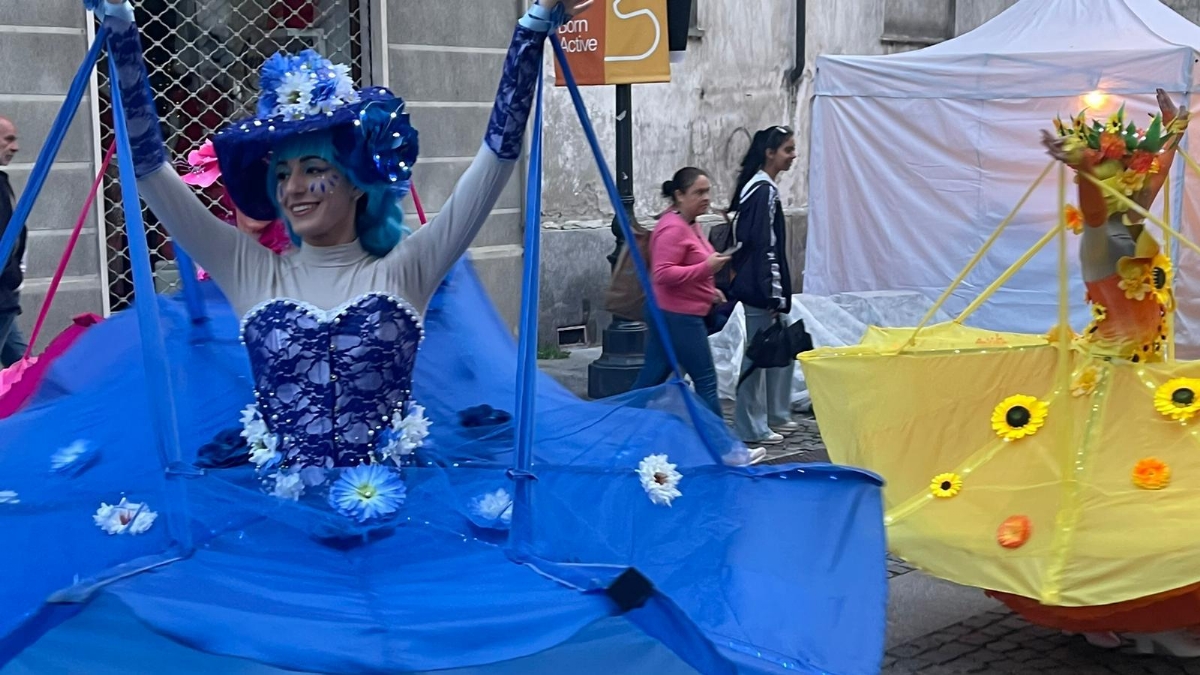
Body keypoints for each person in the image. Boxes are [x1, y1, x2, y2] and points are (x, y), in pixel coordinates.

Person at [0, 2, 890, 673]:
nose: (300, 186)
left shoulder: (409, 268)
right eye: (285, 173)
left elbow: (493, 162)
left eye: (317, 167)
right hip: (265, 524)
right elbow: (152, 173)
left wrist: (525, 41)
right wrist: (120, 39)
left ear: (354, 177)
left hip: (410, 521)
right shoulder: (249, 270)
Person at [983, 89, 1200, 656]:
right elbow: (1097, 199)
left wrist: (1174, 128)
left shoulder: (1134, 215)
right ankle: (1092, 603)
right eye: (1125, 174)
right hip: (1110, 381)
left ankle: (1156, 601)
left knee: (1154, 497)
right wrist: (1078, 162)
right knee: (1102, 497)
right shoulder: (1102, 235)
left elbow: (1155, 174)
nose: (1139, 183)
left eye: (1131, 174)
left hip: (1146, 376)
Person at [631, 167, 727, 419]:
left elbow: (688, 265)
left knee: (649, 382)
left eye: (707, 191)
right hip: (677, 315)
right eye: (699, 192)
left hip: (676, 311)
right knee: (705, 379)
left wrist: (709, 290)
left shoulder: (690, 223)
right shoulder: (672, 228)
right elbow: (663, 274)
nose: (706, 197)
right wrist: (706, 268)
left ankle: (617, 430)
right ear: (680, 195)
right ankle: (723, 448)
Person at [727, 126, 797, 445]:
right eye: (787, 150)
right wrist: (773, 293)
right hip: (760, 288)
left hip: (759, 285)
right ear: (770, 153)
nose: (793, 155)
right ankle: (751, 425)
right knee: (757, 355)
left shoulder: (758, 187)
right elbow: (764, 246)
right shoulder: (763, 190)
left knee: (779, 346)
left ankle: (775, 414)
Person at [0, 116, 28, 368]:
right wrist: (11, 277)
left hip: (5, 297)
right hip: (2, 296)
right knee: (22, 369)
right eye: (8, 139)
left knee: (21, 367)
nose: (15, 147)